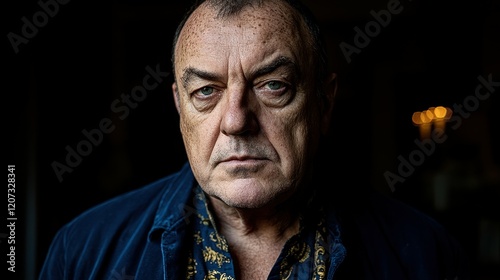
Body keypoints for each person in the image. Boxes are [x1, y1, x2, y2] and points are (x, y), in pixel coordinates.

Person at [38, 0, 470, 279]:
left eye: (273, 86)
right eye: (206, 91)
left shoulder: (425, 257)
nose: (235, 121)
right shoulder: (83, 252)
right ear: (179, 107)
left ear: (324, 102)